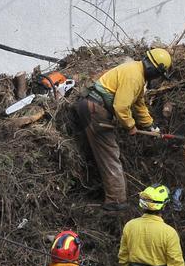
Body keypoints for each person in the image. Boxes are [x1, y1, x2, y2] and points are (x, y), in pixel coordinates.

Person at [73, 48, 172, 210]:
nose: (158, 78)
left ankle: (113, 197)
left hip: (92, 106)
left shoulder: (137, 73)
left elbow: (139, 104)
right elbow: (121, 107)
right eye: (159, 75)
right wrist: (131, 126)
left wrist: (150, 125)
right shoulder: (134, 77)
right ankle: (116, 201)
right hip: (95, 109)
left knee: (105, 152)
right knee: (110, 154)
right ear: (154, 69)